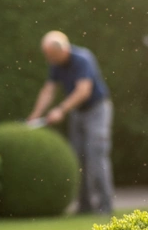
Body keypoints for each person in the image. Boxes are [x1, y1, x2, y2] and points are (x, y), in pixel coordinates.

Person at [28, 30, 115, 215]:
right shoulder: (56, 64)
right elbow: (48, 90)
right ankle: (85, 207)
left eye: (50, 55)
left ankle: (105, 206)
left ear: (62, 50)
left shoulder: (82, 59)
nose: (49, 59)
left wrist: (61, 110)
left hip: (97, 111)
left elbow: (84, 91)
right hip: (78, 113)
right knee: (78, 158)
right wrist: (35, 116)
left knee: (96, 157)